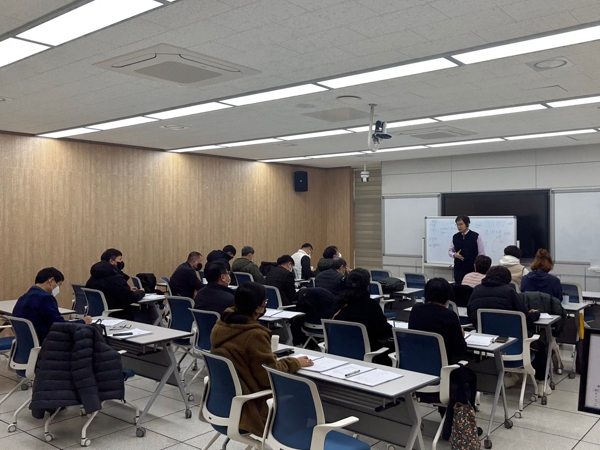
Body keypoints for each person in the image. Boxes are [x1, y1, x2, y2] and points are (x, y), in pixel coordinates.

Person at [210, 282, 313, 437]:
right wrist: (294, 362)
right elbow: (268, 376)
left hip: (222, 402)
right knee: (303, 396)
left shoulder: (222, 324)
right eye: (265, 302)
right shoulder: (255, 335)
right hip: (251, 408)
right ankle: (291, 441)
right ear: (258, 308)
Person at [409, 277, 478, 440]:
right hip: (440, 376)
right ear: (448, 298)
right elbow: (461, 350)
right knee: (470, 376)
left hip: (415, 374)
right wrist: (460, 335)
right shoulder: (449, 316)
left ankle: (448, 417)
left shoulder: (416, 310)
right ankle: (461, 426)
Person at [467, 266, 548, 392]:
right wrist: (536, 314)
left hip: (487, 348)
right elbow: (524, 318)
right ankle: (542, 382)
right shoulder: (509, 292)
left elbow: (470, 314)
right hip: (513, 346)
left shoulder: (476, 290)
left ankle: (509, 375)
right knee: (541, 343)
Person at [13, 267, 92, 343]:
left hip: (25, 342)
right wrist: (82, 321)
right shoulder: (45, 298)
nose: (57, 289)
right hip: (46, 342)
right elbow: (59, 325)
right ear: (51, 281)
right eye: (58, 285)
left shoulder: (23, 297)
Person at [332, 269, 392, 364]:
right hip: (367, 353)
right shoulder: (370, 305)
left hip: (340, 350)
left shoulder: (338, 302)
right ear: (367, 285)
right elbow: (384, 332)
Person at [86, 248, 145, 320]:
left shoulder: (95, 276)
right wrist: (141, 292)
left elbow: (108, 290)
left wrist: (127, 289)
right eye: (120, 259)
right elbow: (131, 298)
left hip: (96, 315)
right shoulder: (115, 277)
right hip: (117, 315)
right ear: (112, 261)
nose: (121, 262)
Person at [448, 216, 485, 284]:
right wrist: (454, 255)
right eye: (457, 224)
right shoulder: (455, 236)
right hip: (458, 269)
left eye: (461, 224)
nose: (459, 227)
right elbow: (450, 251)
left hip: (471, 268)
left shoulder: (476, 236)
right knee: (458, 286)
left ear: (467, 224)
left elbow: (481, 253)